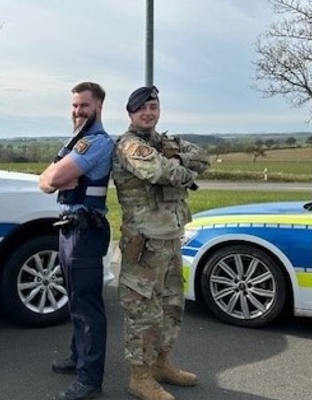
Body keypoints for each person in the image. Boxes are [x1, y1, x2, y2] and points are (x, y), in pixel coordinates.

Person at [112, 86, 209, 400]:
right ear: (131, 113)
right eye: (141, 108)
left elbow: (203, 158)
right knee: (142, 311)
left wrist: (177, 159)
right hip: (144, 244)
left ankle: (161, 363)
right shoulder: (128, 145)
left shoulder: (168, 143)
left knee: (171, 305)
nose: (148, 113)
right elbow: (159, 172)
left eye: (153, 107)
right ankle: (139, 377)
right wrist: (182, 169)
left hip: (170, 238)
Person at [38, 82, 113, 400]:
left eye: (84, 105)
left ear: (98, 107)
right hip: (69, 229)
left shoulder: (97, 143)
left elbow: (53, 178)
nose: (77, 111)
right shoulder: (75, 141)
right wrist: (52, 178)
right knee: (74, 299)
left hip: (86, 231)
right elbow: (44, 182)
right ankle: (78, 356)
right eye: (74, 105)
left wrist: (54, 178)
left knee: (87, 306)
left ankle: (90, 379)